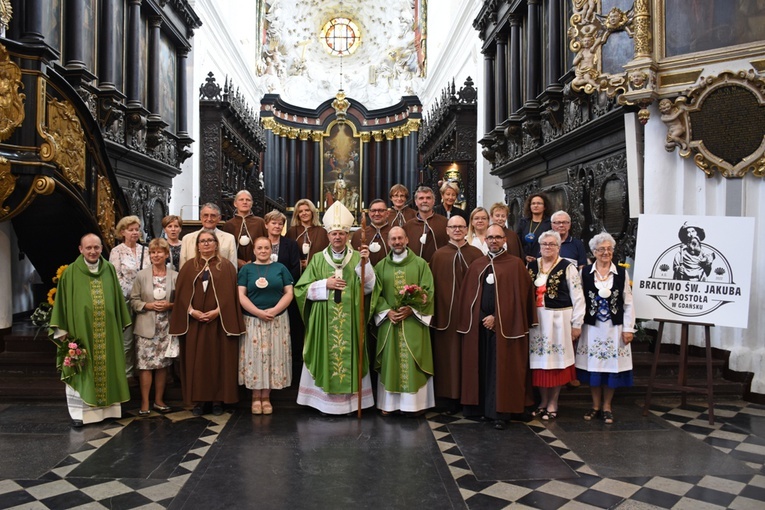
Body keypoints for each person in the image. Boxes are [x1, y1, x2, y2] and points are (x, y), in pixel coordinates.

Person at [295, 201, 376, 415]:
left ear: (348, 236)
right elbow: (301, 289)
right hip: (324, 322)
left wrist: (364, 266)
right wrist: (324, 284)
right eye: (334, 234)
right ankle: (323, 403)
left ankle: (350, 405)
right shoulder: (318, 259)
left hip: (351, 322)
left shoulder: (359, 258)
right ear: (328, 236)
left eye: (341, 233)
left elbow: (369, 289)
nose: (338, 237)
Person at [458, 224, 537, 430]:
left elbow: (519, 299)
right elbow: (469, 297)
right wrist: (482, 317)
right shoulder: (478, 264)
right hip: (479, 326)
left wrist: (497, 317)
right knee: (482, 367)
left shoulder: (515, 264)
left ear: (505, 240)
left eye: (498, 237)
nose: (493, 240)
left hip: (505, 328)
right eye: (490, 237)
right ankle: (483, 409)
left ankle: (500, 412)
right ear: (485, 241)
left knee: (500, 369)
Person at [49, 233, 131, 428]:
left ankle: (110, 410)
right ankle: (81, 414)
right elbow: (61, 304)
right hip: (81, 333)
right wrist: (64, 332)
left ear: (102, 248)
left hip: (108, 332)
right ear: (80, 249)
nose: (93, 251)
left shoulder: (109, 270)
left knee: (108, 366)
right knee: (82, 369)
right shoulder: (70, 273)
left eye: (96, 247)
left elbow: (118, 301)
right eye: (89, 248)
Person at [169, 230, 246, 416]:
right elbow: (180, 296)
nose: (205, 244)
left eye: (209, 241)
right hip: (195, 323)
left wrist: (217, 312)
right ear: (197, 245)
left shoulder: (226, 267)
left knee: (219, 360)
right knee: (197, 362)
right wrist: (192, 311)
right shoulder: (188, 267)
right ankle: (199, 401)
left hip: (219, 323)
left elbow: (231, 297)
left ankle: (218, 400)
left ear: (216, 244)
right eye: (202, 241)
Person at [373, 227, 435, 415]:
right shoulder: (381, 266)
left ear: (407, 239)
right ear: (389, 241)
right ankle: (389, 405)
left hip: (413, 322)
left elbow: (428, 291)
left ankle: (415, 405)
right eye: (393, 239)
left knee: (413, 360)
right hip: (390, 323)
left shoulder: (420, 264)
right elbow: (376, 293)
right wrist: (386, 311)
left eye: (400, 238)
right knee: (390, 361)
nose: (397, 242)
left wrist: (412, 309)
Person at [575, 233, 635, 425]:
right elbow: (579, 300)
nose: (606, 252)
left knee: (611, 368)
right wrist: (576, 324)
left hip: (614, 328)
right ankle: (595, 406)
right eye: (601, 249)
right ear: (594, 252)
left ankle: (607, 406)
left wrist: (629, 328)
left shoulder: (621, 273)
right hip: (591, 328)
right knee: (594, 368)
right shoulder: (584, 273)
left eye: (609, 249)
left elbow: (628, 302)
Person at [527, 231, 585, 420]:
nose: (547, 247)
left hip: (559, 320)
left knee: (556, 363)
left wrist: (577, 324)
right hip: (537, 321)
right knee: (540, 363)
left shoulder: (568, 267)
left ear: (559, 247)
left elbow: (578, 297)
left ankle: (553, 402)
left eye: (552, 244)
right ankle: (543, 401)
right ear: (539, 245)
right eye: (544, 244)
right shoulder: (531, 265)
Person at [429, 215, 483, 412]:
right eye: (453, 227)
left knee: (470, 356)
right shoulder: (439, 255)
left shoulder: (476, 254)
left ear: (466, 228)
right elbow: (431, 287)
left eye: (461, 226)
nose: (457, 230)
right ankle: (449, 398)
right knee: (448, 357)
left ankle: (469, 398)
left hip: (471, 315)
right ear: (447, 230)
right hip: (446, 316)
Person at [238, 237, 294, 415]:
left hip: (277, 320)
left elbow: (289, 293)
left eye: (266, 248)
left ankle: (266, 397)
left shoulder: (280, 268)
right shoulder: (246, 269)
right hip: (253, 320)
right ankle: (255, 397)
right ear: (253, 250)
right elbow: (241, 295)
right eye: (259, 248)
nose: (263, 251)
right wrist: (258, 312)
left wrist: (275, 309)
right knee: (255, 357)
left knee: (273, 357)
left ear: (272, 250)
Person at [129, 238, 177, 416]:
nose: (155, 255)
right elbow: (133, 300)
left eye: (159, 252)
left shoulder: (175, 275)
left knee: (162, 365)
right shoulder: (142, 275)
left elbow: (181, 301)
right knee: (145, 366)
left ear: (166, 254)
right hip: (145, 327)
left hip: (166, 327)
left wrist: (169, 306)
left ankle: (159, 400)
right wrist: (148, 306)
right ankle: (144, 402)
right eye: (152, 252)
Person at [110, 215, 149, 380]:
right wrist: (132, 294)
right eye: (130, 230)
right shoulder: (116, 251)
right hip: (125, 300)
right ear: (122, 232)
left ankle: (144, 372)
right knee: (127, 340)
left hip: (145, 300)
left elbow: (149, 273)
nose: (134, 232)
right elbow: (116, 277)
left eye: (136, 229)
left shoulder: (145, 250)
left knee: (145, 338)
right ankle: (127, 375)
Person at [179, 203, 238, 269]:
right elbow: (183, 268)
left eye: (213, 216)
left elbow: (233, 267)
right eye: (205, 215)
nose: (209, 219)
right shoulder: (187, 239)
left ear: (219, 218)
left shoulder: (229, 239)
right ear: (200, 217)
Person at [220, 190, 268, 269]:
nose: (245, 202)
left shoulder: (260, 222)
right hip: (234, 265)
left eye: (248, 200)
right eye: (241, 200)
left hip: (257, 264)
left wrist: (253, 259)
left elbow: (267, 244)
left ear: (251, 203)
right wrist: (236, 260)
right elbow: (225, 247)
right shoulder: (228, 224)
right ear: (235, 203)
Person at [403, 185, 449, 262]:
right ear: (416, 202)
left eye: (428, 198)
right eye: (421, 198)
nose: (425, 201)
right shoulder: (407, 226)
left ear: (433, 201)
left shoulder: (445, 223)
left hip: (439, 266)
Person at [286, 198, 329, 272]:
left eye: (307, 210)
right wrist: (299, 263)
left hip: (316, 271)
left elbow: (327, 253)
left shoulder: (322, 232)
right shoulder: (291, 231)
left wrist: (310, 262)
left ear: (312, 212)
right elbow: (286, 253)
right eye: (300, 211)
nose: (304, 213)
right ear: (297, 215)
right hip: (296, 272)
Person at [351, 198, 391, 266]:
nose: (377, 213)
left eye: (381, 210)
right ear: (369, 213)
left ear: (387, 213)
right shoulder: (358, 234)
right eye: (373, 211)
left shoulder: (394, 233)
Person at [516, 192, 553, 264]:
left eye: (539, 203)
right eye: (533, 203)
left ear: (545, 207)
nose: (536, 206)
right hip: (524, 261)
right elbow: (518, 241)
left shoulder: (549, 223)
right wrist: (525, 256)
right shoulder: (523, 222)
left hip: (542, 261)